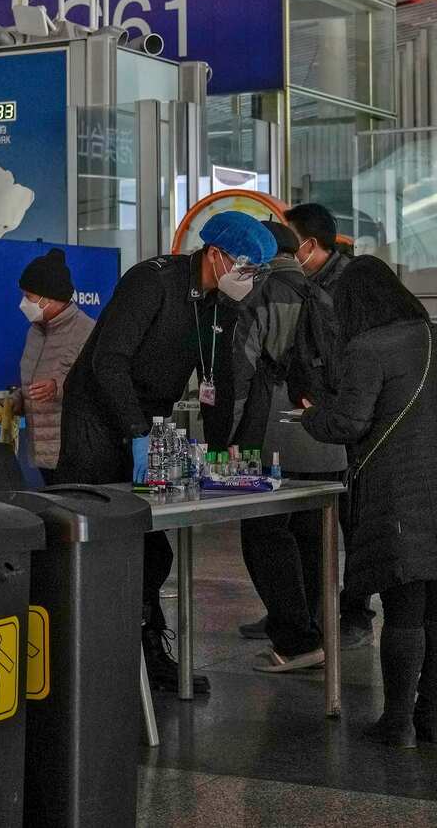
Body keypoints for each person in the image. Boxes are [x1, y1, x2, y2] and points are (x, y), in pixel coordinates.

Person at [56, 210, 276, 694]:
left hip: (151, 420)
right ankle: (93, 653)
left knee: (152, 546)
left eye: (256, 271)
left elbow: (216, 383)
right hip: (98, 415)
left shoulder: (221, 307)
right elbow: (107, 361)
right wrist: (136, 433)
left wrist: (224, 452)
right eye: (245, 265)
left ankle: (148, 649)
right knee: (102, 536)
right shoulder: (152, 281)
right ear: (214, 254)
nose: (249, 278)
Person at [301, 256, 437, 748]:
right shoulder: (435, 339)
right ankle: (431, 718)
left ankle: (396, 720)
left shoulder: (367, 347)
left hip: (402, 490)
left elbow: (350, 424)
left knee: (403, 605)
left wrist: (312, 417)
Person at [222, 221, 349, 672]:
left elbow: (240, 371)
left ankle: (295, 639)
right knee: (314, 539)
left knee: (264, 535)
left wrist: (229, 438)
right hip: (325, 437)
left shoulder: (260, 294)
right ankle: (315, 633)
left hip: (273, 433)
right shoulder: (325, 292)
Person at [280, 203, 378, 650]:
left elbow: (353, 359)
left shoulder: (349, 285)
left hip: (352, 423)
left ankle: (355, 611)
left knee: (355, 525)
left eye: (290, 240)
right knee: (307, 524)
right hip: (318, 418)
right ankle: (302, 611)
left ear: (312, 244)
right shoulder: (305, 284)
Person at [8, 248, 95, 484]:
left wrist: (57, 387)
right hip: (43, 454)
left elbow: (96, 388)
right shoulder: (35, 332)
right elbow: (32, 380)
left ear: (49, 298)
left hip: (77, 453)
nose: (23, 304)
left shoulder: (87, 332)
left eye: (29, 297)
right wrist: (18, 400)